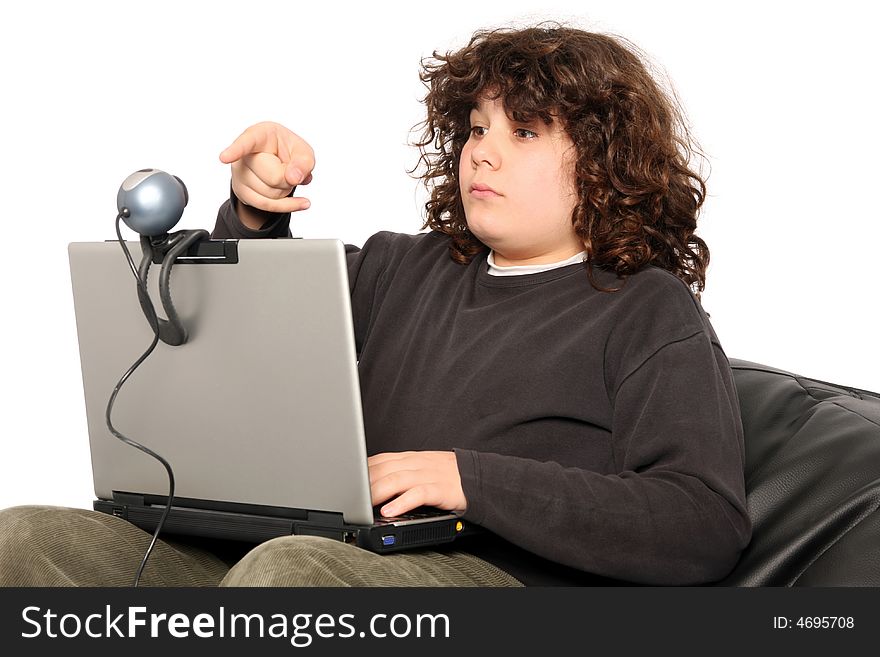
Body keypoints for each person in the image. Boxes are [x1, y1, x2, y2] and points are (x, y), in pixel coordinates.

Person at [0, 24, 751, 587]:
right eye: (478, 128)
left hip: (489, 576)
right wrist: (257, 216)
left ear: (609, 162)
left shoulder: (648, 310)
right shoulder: (400, 265)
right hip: (314, 551)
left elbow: (703, 519)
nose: (482, 152)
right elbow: (256, 326)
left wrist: (469, 480)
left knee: (291, 577)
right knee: (24, 538)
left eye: (523, 132)